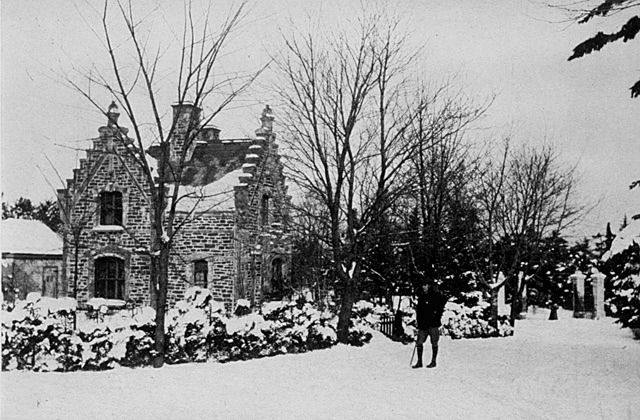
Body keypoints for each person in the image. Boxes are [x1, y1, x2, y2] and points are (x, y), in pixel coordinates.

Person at [412, 281, 447, 368]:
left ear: (429, 286)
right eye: (423, 285)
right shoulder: (421, 296)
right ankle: (419, 362)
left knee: (434, 342)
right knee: (419, 342)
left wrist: (436, 316)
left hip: (433, 324)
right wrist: (419, 322)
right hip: (423, 325)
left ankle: (433, 361)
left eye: (425, 285)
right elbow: (419, 311)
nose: (423, 287)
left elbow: (440, 308)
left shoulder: (435, 296)